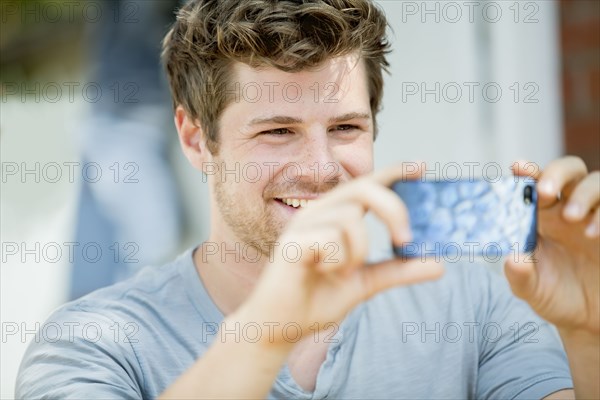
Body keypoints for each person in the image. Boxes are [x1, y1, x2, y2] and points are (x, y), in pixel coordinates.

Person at [16, 0, 599, 398]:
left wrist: (587, 332)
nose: (321, 170)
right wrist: (269, 330)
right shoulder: (93, 342)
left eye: (345, 128)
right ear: (197, 138)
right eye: (277, 131)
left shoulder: (475, 305)